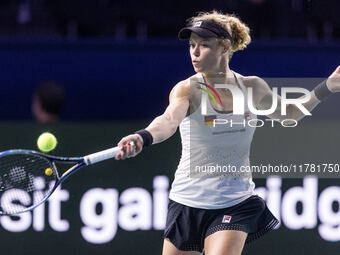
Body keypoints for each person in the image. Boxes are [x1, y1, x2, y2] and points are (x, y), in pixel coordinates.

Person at [114, 11, 340, 255]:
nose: (195, 52)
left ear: (225, 46)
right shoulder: (187, 90)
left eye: (204, 45)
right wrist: (142, 136)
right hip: (187, 202)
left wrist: (327, 86)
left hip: (235, 202)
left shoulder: (252, 87)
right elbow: (168, 121)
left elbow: (290, 113)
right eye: (192, 46)